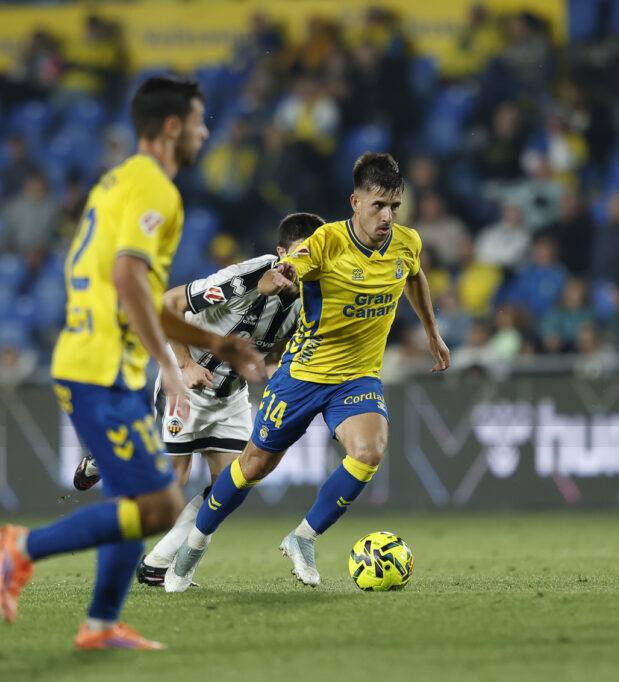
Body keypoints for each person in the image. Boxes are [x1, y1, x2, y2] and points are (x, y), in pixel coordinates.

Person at [0, 76, 265, 651]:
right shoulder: (156, 190)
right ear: (172, 127)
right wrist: (170, 362)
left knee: (135, 504)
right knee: (160, 504)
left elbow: (106, 279)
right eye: (198, 120)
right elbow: (128, 279)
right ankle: (21, 548)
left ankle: (99, 625)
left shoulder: (114, 182)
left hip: (91, 356)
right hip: (100, 369)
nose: (204, 131)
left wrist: (206, 347)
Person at [164, 153, 450, 591]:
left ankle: (303, 537)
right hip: (302, 375)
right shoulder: (327, 243)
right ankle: (193, 547)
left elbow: (414, 276)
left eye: (395, 205)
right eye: (378, 206)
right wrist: (281, 275)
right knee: (252, 467)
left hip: (357, 377)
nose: (388, 216)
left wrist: (432, 331)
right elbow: (293, 265)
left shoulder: (406, 243)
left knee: (369, 451)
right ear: (355, 202)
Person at [73, 213, 325, 587]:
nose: (302, 266)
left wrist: (279, 382)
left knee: (231, 486)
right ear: (279, 253)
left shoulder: (311, 298)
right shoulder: (244, 279)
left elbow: (275, 351)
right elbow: (169, 305)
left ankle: (158, 563)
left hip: (231, 395)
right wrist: (186, 363)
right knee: (171, 483)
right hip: (188, 384)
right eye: (297, 255)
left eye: (313, 256)